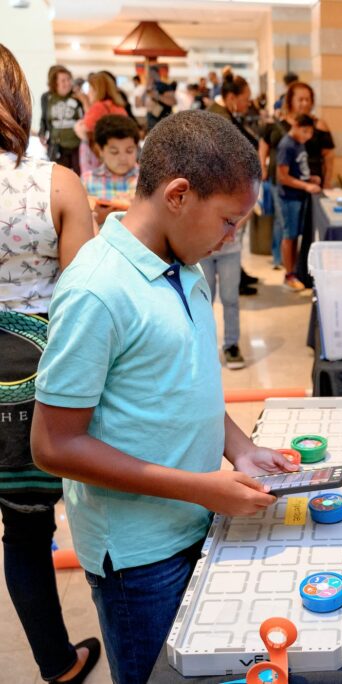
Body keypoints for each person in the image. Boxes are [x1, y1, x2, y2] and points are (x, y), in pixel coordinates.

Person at [30, 110, 300, 684]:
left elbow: (186, 380)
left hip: (194, 516)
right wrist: (201, 488)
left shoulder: (182, 266)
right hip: (139, 556)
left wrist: (239, 449)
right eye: (229, 222)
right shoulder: (97, 290)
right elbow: (53, 444)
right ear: (178, 195)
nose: (232, 240)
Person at [0, 44, 100, 684]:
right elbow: (86, 302)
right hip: (33, 385)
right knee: (44, 532)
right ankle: (70, 660)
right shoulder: (54, 184)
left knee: (21, 541)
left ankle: (57, 664)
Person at [205, 73, 257, 368]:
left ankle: (232, 344)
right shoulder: (218, 119)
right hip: (203, 243)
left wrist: (234, 223)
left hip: (230, 243)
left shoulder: (239, 175)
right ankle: (205, 348)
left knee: (229, 296)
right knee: (204, 297)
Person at [258, 81, 334, 270]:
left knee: (301, 227)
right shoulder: (278, 124)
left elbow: (329, 156)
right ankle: (284, 265)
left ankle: (299, 267)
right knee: (285, 225)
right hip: (283, 181)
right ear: (290, 100)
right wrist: (262, 167)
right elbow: (264, 145)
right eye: (300, 99)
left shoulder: (318, 125)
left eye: (308, 99)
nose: (304, 103)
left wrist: (327, 181)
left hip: (309, 182)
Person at [276, 113, 321, 292]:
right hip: (289, 197)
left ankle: (295, 270)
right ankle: (289, 274)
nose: (307, 136)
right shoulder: (286, 145)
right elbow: (283, 177)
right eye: (304, 131)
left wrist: (309, 178)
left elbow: (297, 169)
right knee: (290, 235)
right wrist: (306, 186)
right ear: (295, 126)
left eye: (310, 133)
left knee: (295, 236)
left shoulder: (299, 143)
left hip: (299, 195)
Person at [81, 115, 140, 226]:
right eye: (114, 152)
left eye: (129, 151)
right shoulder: (88, 181)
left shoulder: (147, 177)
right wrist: (96, 219)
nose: (123, 158)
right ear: (100, 150)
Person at [73, 72, 127, 176]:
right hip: (115, 153)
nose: (88, 92)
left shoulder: (99, 107)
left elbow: (84, 129)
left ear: (97, 89)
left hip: (96, 155)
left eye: (90, 88)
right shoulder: (118, 107)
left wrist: (78, 125)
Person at [39, 65, 84, 173]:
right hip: (57, 145)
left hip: (77, 145)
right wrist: (42, 133)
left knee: (78, 175)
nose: (67, 83)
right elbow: (44, 118)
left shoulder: (77, 96)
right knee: (60, 174)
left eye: (69, 79)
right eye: (63, 80)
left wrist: (83, 99)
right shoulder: (47, 97)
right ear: (55, 83)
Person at [145, 64, 176, 131]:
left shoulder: (164, 86)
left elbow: (173, 102)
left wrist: (157, 96)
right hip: (152, 116)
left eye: (152, 74)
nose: (150, 76)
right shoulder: (149, 86)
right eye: (149, 74)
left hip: (163, 118)